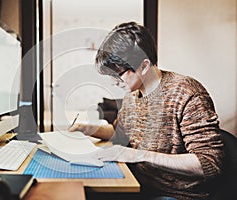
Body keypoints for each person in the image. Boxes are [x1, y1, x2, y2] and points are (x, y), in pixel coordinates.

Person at [69, 22, 224, 200]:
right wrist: (87, 128)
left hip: (176, 194)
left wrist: (138, 155)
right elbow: (120, 134)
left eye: (117, 75)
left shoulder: (186, 93)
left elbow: (209, 164)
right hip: (139, 185)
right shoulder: (132, 95)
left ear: (143, 66)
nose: (113, 83)